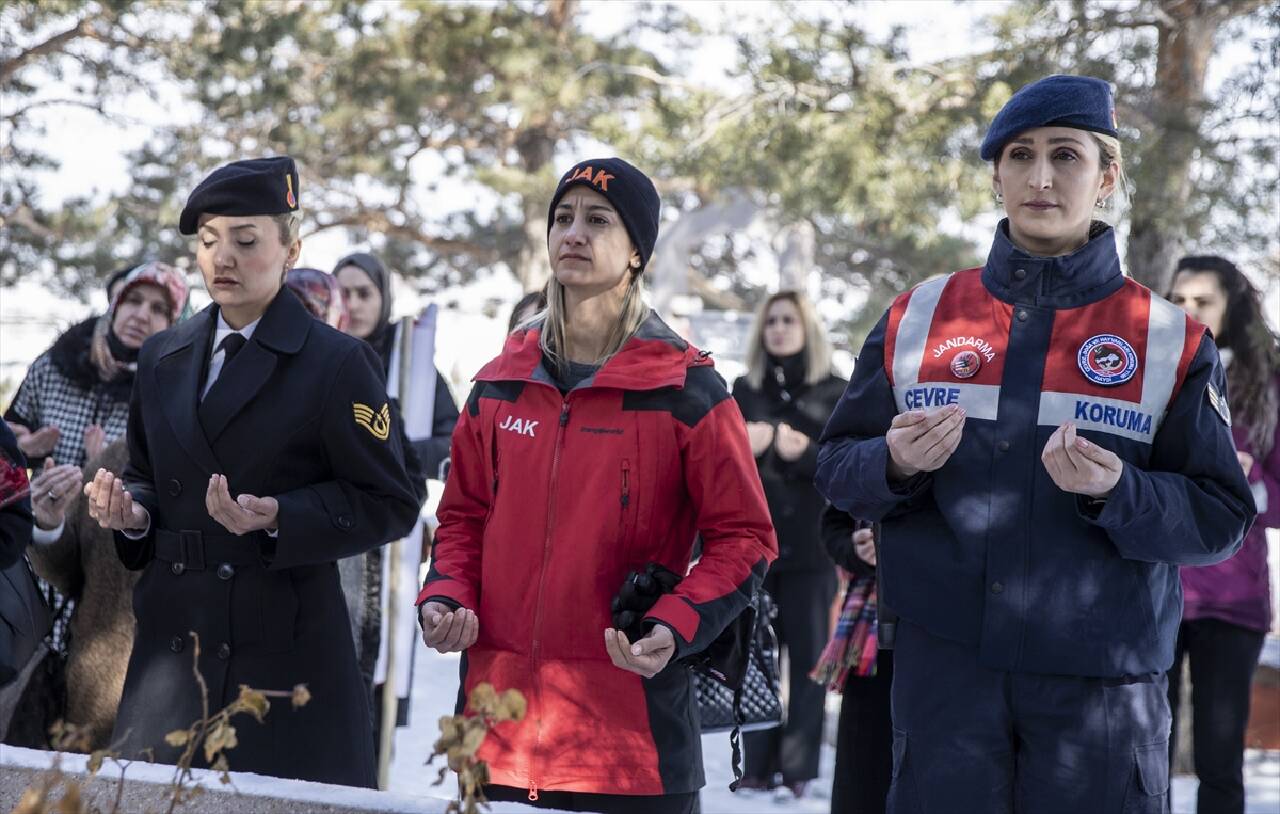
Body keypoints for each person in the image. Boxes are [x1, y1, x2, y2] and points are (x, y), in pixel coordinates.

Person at [816, 75, 1256, 814]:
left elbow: (1220, 516)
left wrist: (1121, 492)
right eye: (1020, 155)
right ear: (996, 175)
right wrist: (892, 463)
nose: (1041, 177)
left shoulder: (1171, 338)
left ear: (1107, 177)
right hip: (947, 683)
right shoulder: (916, 317)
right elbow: (836, 470)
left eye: (1067, 155)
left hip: (1102, 691)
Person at [417, 157, 777, 814]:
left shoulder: (688, 390)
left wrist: (676, 623)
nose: (573, 234)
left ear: (637, 251)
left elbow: (745, 537)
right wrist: (444, 597)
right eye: (563, 218)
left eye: (597, 220)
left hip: (630, 753)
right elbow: (462, 518)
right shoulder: (499, 384)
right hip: (493, 734)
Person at [82, 156, 419, 787]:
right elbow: (150, 476)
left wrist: (284, 517)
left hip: (282, 657)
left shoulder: (336, 363)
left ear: (291, 249)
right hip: (172, 654)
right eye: (209, 241)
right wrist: (132, 513)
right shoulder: (164, 355)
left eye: (246, 240)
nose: (223, 258)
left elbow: (389, 500)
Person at [2, 261, 188, 748]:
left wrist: (102, 470)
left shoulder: (167, 391)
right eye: (133, 301)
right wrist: (23, 451)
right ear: (113, 303)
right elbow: (9, 448)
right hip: (31, 581)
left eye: (158, 309)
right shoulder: (54, 366)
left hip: (109, 602)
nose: (141, 316)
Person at [1166, 255, 1278, 814]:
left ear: (1231, 306)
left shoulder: (1267, 384)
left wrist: (1247, 478)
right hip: (1154, 588)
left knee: (1218, 756)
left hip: (1232, 600)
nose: (1188, 312)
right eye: (1179, 300)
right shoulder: (1152, 367)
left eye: (1202, 302)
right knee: (1138, 749)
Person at [730, 290, 847, 799]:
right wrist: (744, 446)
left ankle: (798, 770)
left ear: (807, 328)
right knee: (754, 661)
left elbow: (847, 469)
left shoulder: (834, 391)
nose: (778, 328)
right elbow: (718, 466)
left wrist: (803, 454)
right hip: (755, 550)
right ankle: (755, 765)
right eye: (771, 321)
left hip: (812, 549)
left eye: (788, 320)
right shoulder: (744, 389)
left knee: (807, 663)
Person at [813, 505, 892, 814]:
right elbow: (834, 523)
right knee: (862, 775)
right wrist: (856, 550)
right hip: (869, 637)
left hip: (943, 638)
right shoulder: (868, 458)